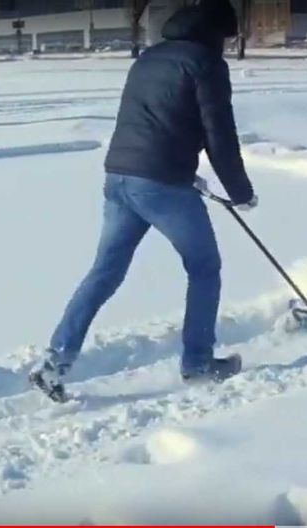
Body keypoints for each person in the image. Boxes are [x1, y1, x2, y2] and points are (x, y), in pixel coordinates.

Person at [30, 0, 258, 402]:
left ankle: (55, 362)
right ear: (214, 33)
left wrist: (186, 169)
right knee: (205, 267)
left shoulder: (149, 58)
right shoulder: (206, 64)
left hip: (119, 175)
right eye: (226, 37)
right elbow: (218, 133)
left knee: (105, 272)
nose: (225, 44)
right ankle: (199, 363)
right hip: (161, 183)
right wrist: (240, 190)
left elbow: (155, 118)